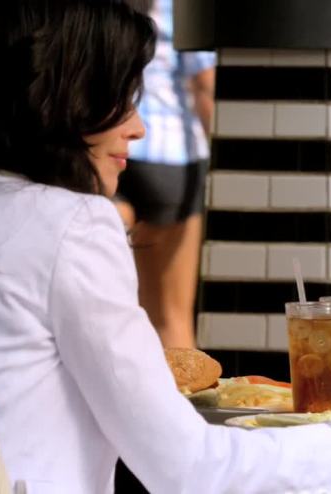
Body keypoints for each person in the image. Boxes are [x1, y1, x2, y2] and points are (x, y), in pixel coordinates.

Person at [0, 1, 331, 492]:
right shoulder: (70, 224)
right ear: (64, 98)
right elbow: (188, 468)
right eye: (119, 97)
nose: (138, 126)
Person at [114, 0, 214, 349]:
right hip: (171, 159)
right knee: (171, 318)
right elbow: (204, 85)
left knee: (126, 309)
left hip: (108, 154)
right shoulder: (179, 6)